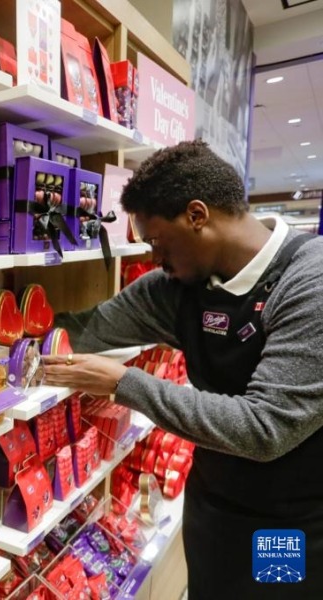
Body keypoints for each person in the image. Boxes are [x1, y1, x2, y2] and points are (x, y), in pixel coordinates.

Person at [42, 139, 323, 599]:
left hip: (286, 522)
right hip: (211, 506)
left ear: (197, 216)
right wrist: (12, 337)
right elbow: (92, 328)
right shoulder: (176, 288)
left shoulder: (309, 281)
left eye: (157, 241)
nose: (154, 259)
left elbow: (265, 429)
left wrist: (124, 383)